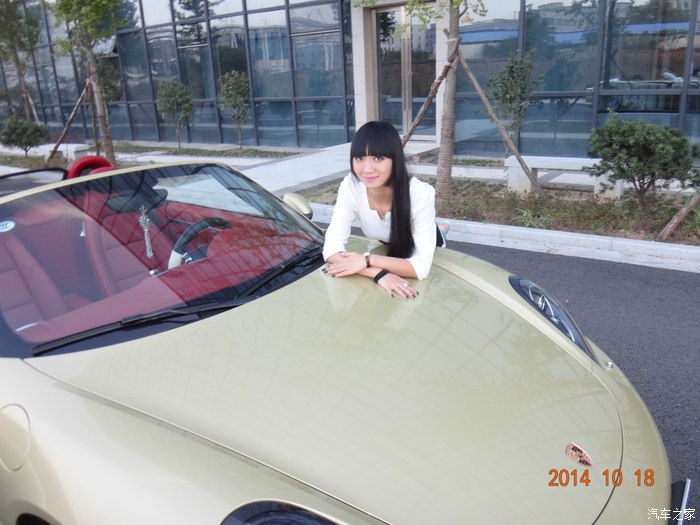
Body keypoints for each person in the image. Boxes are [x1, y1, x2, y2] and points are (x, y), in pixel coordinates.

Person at [322, 120, 445, 299]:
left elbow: (421, 268)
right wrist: (379, 274)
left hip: (421, 242)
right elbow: (331, 249)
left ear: (395, 159)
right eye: (359, 158)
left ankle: (442, 230)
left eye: (378, 158)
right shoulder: (351, 186)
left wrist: (367, 260)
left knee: (436, 235)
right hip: (386, 243)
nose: (367, 169)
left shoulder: (419, 193)